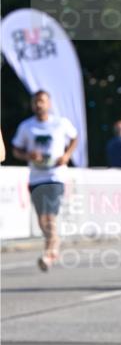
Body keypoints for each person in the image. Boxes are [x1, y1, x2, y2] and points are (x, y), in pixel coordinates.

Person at [11, 90, 78, 270]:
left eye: (42, 101)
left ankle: (49, 253)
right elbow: (15, 150)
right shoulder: (26, 126)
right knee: (42, 219)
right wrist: (28, 154)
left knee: (49, 216)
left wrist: (66, 155)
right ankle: (53, 243)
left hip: (55, 176)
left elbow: (74, 138)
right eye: (36, 102)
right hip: (35, 177)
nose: (39, 105)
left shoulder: (60, 123)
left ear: (49, 104)